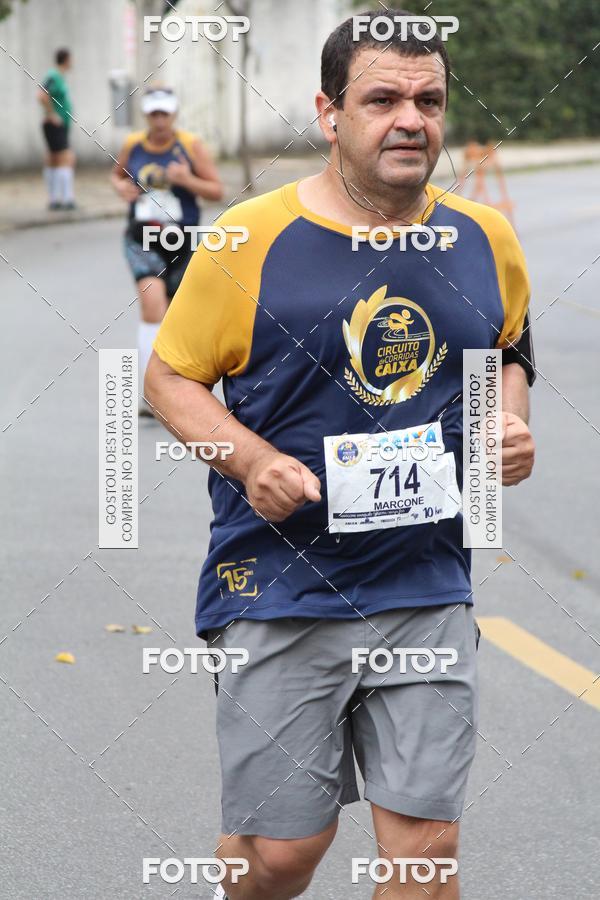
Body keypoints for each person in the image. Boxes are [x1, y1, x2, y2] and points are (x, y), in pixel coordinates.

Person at [145, 9, 536, 899]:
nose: (412, 119)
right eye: (384, 99)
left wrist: (503, 425)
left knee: (427, 859)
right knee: (280, 859)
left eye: (430, 100)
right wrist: (247, 462)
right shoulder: (248, 238)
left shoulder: (484, 237)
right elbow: (169, 380)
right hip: (279, 586)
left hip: (425, 584)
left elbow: (507, 348)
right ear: (330, 113)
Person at [110, 86, 223, 413]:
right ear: (146, 115)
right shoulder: (133, 145)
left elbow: (216, 189)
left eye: (165, 113)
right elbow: (117, 176)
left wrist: (186, 179)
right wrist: (122, 188)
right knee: (152, 304)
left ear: (173, 114)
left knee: (176, 316)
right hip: (141, 237)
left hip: (182, 240)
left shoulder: (190, 146)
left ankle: (176, 385)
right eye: (153, 113)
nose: (159, 120)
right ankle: (150, 391)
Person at [38, 48, 76, 210]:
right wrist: (52, 114)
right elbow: (41, 94)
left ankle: (54, 200)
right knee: (66, 158)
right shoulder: (53, 76)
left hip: (60, 125)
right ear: (66, 59)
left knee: (53, 159)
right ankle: (67, 199)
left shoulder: (60, 77)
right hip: (54, 125)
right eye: (71, 59)